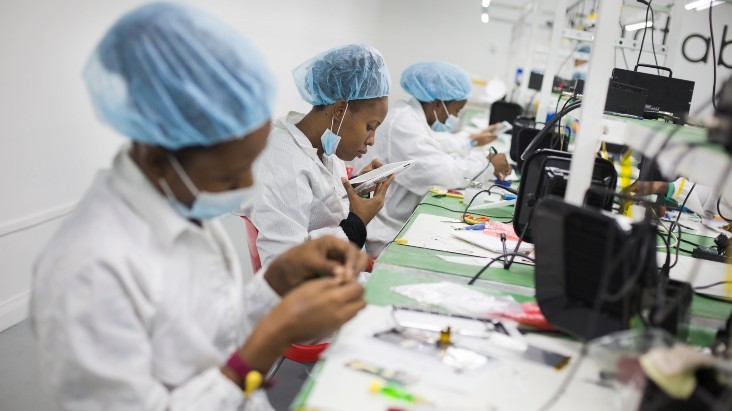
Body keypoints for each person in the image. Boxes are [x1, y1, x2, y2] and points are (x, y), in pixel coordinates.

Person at [31, 4, 368, 410]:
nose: (247, 186)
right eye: (230, 173)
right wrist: (266, 345)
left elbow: (210, 332)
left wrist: (276, 283)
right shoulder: (90, 266)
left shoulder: (181, 205)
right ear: (158, 154)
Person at [249, 44, 394, 266]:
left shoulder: (326, 144)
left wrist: (357, 188)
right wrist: (356, 224)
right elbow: (284, 263)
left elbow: (320, 207)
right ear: (339, 111)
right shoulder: (283, 159)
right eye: (370, 127)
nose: (372, 140)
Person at [353, 61, 511, 257]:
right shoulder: (403, 123)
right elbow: (442, 173)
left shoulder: (409, 116)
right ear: (438, 103)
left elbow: (436, 143)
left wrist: (472, 142)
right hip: (385, 235)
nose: (454, 117)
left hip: (397, 221)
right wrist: (487, 165)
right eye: (457, 110)